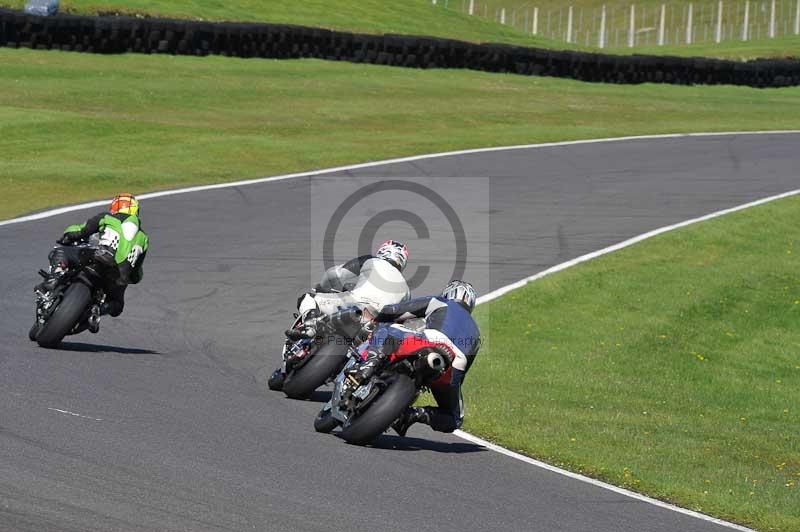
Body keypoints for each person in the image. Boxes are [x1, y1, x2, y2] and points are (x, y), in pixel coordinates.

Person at [269, 240, 410, 388]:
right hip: (376, 324)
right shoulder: (407, 290)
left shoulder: (370, 260)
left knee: (308, 298)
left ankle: (309, 325)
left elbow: (336, 275)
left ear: (382, 251)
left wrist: (321, 288)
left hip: (355, 303)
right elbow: (399, 319)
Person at [350, 280, 481, 436]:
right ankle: (413, 415)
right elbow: (461, 376)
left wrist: (378, 318)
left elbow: (395, 310)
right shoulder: (477, 335)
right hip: (450, 366)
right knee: (455, 418)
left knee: (386, 327)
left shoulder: (441, 302)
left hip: (428, 342)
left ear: (449, 293)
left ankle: (368, 365)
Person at [35, 193, 149, 333]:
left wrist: (66, 237)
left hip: (97, 258)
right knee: (117, 305)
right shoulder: (144, 238)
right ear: (136, 211)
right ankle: (98, 311)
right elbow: (137, 273)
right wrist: (129, 276)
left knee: (60, 251)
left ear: (114, 207)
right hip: (118, 278)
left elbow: (81, 230)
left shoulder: (107, 217)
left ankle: (55, 277)